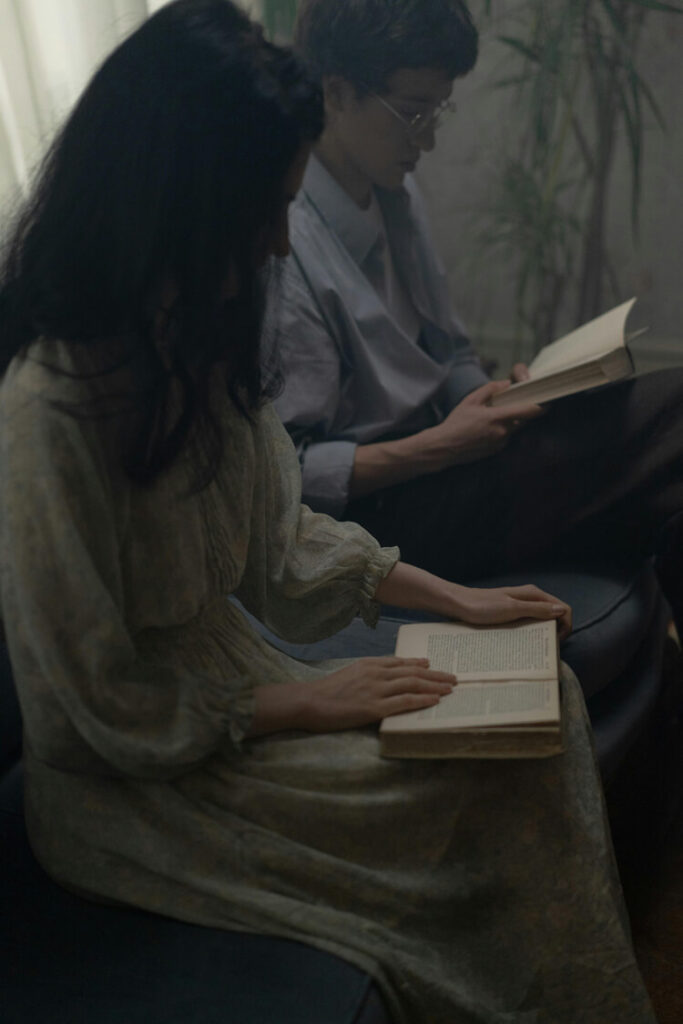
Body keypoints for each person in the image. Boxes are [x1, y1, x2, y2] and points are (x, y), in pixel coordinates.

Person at [0, 2, 655, 1021]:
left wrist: (459, 606)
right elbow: (95, 707)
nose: (274, 240)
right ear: (175, 201)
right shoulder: (47, 413)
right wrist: (309, 700)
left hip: (242, 691)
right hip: (136, 784)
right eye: (259, 209)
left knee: (546, 713)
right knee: (466, 787)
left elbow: (286, 543)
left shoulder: (202, 341)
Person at [274, 0, 683, 630]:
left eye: (437, 111)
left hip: (452, 459)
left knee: (662, 484)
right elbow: (290, 474)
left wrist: (500, 397)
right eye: (412, 113)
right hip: (380, 517)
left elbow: (452, 353)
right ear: (336, 92)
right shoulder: (285, 241)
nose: (428, 139)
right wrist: (436, 448)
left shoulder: (396, 193)